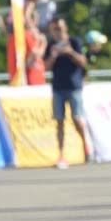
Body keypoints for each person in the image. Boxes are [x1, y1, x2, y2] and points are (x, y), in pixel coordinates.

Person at [45, 17, 90, 169]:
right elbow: (46, 67)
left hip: (74, 86)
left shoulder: (74, 41)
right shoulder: (51, 45)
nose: (57, 32)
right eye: (55, 29)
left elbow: (83, 62)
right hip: (58, 87)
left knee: (77, 118)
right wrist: (53, 55)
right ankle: (61, 155)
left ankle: (86, 146)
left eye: (60, 28)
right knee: (59, 121)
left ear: (65, 28)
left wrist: (70, 52)